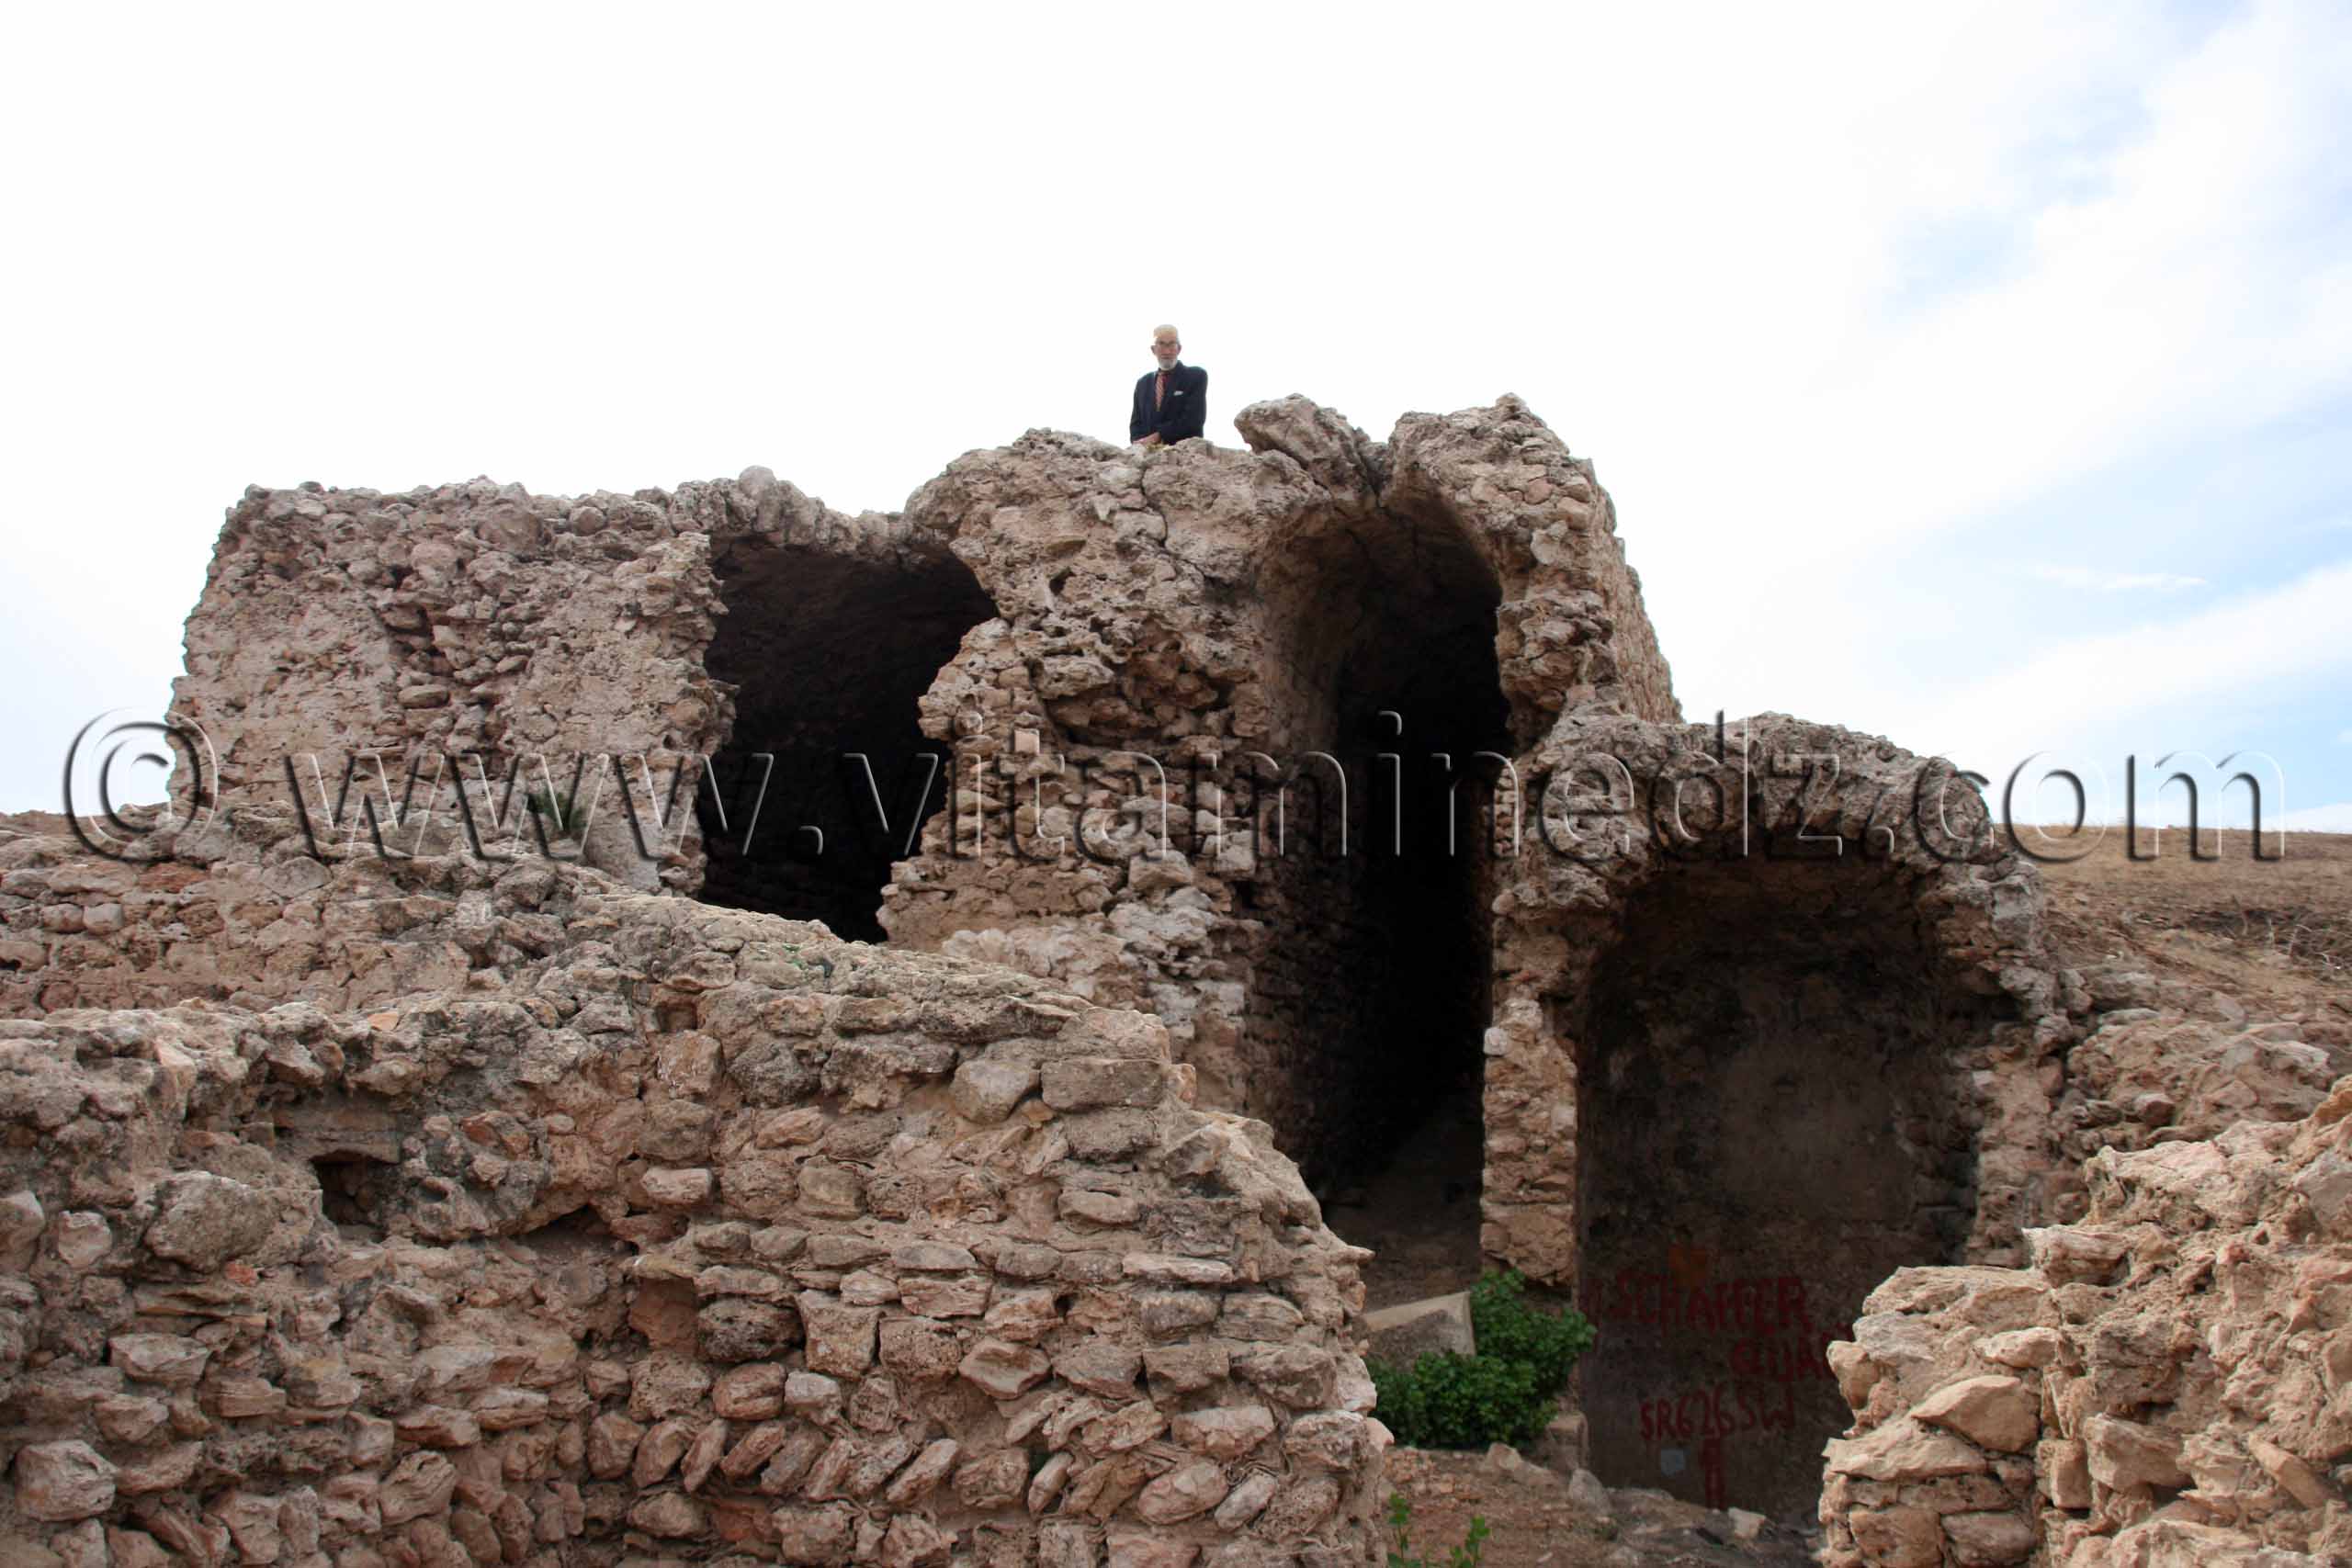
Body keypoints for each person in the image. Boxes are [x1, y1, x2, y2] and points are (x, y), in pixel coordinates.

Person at [1130, 324, 1206, 447]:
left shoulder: (1195, 376)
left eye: (1171, 344)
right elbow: (1136, 424)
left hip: (1185, 454)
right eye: (1161, 344)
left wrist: (1158, 436)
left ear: (1179, 348)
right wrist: (1140, 445)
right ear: (1153, 349)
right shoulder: (1142, 384)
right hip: (1148, 457)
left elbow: (1193, 420)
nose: (1167, 351)